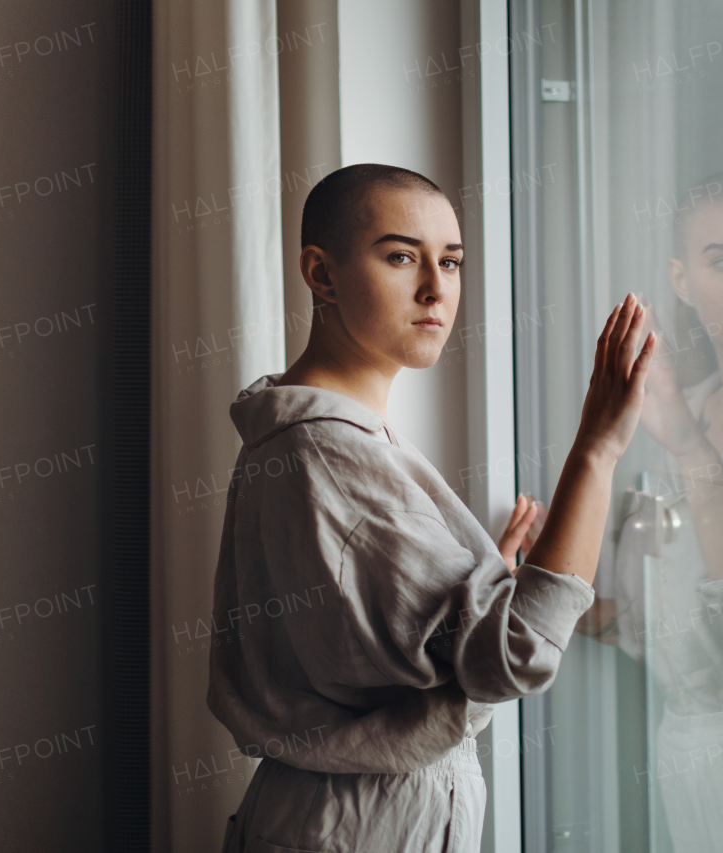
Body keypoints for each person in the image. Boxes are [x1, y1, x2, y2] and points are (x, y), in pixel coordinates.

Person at [207, 163, 657, 853]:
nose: (435, 288)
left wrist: (476, 578)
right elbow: (515, 654)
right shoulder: (327, 450)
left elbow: (367, 643)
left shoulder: (324, 439)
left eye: (450, 261)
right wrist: (596, 451)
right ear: (321, 274)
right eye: (399, 256)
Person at [579, 174, 723, 853]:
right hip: (680, 759)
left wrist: (689, 445)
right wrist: (525, 590)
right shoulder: (678, 408)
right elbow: (648, 619)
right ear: (682, 278)